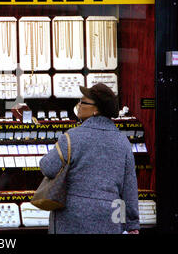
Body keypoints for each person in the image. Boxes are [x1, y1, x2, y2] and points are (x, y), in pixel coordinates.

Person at [39, 83, 140, 234]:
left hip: (72, 217)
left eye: (83, 102)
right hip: (110, 216)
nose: (78, 105)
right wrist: (132, 225)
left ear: (96, 110)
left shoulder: (72, 137)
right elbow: (129, 187)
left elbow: (48, 167)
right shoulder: (123, 142)